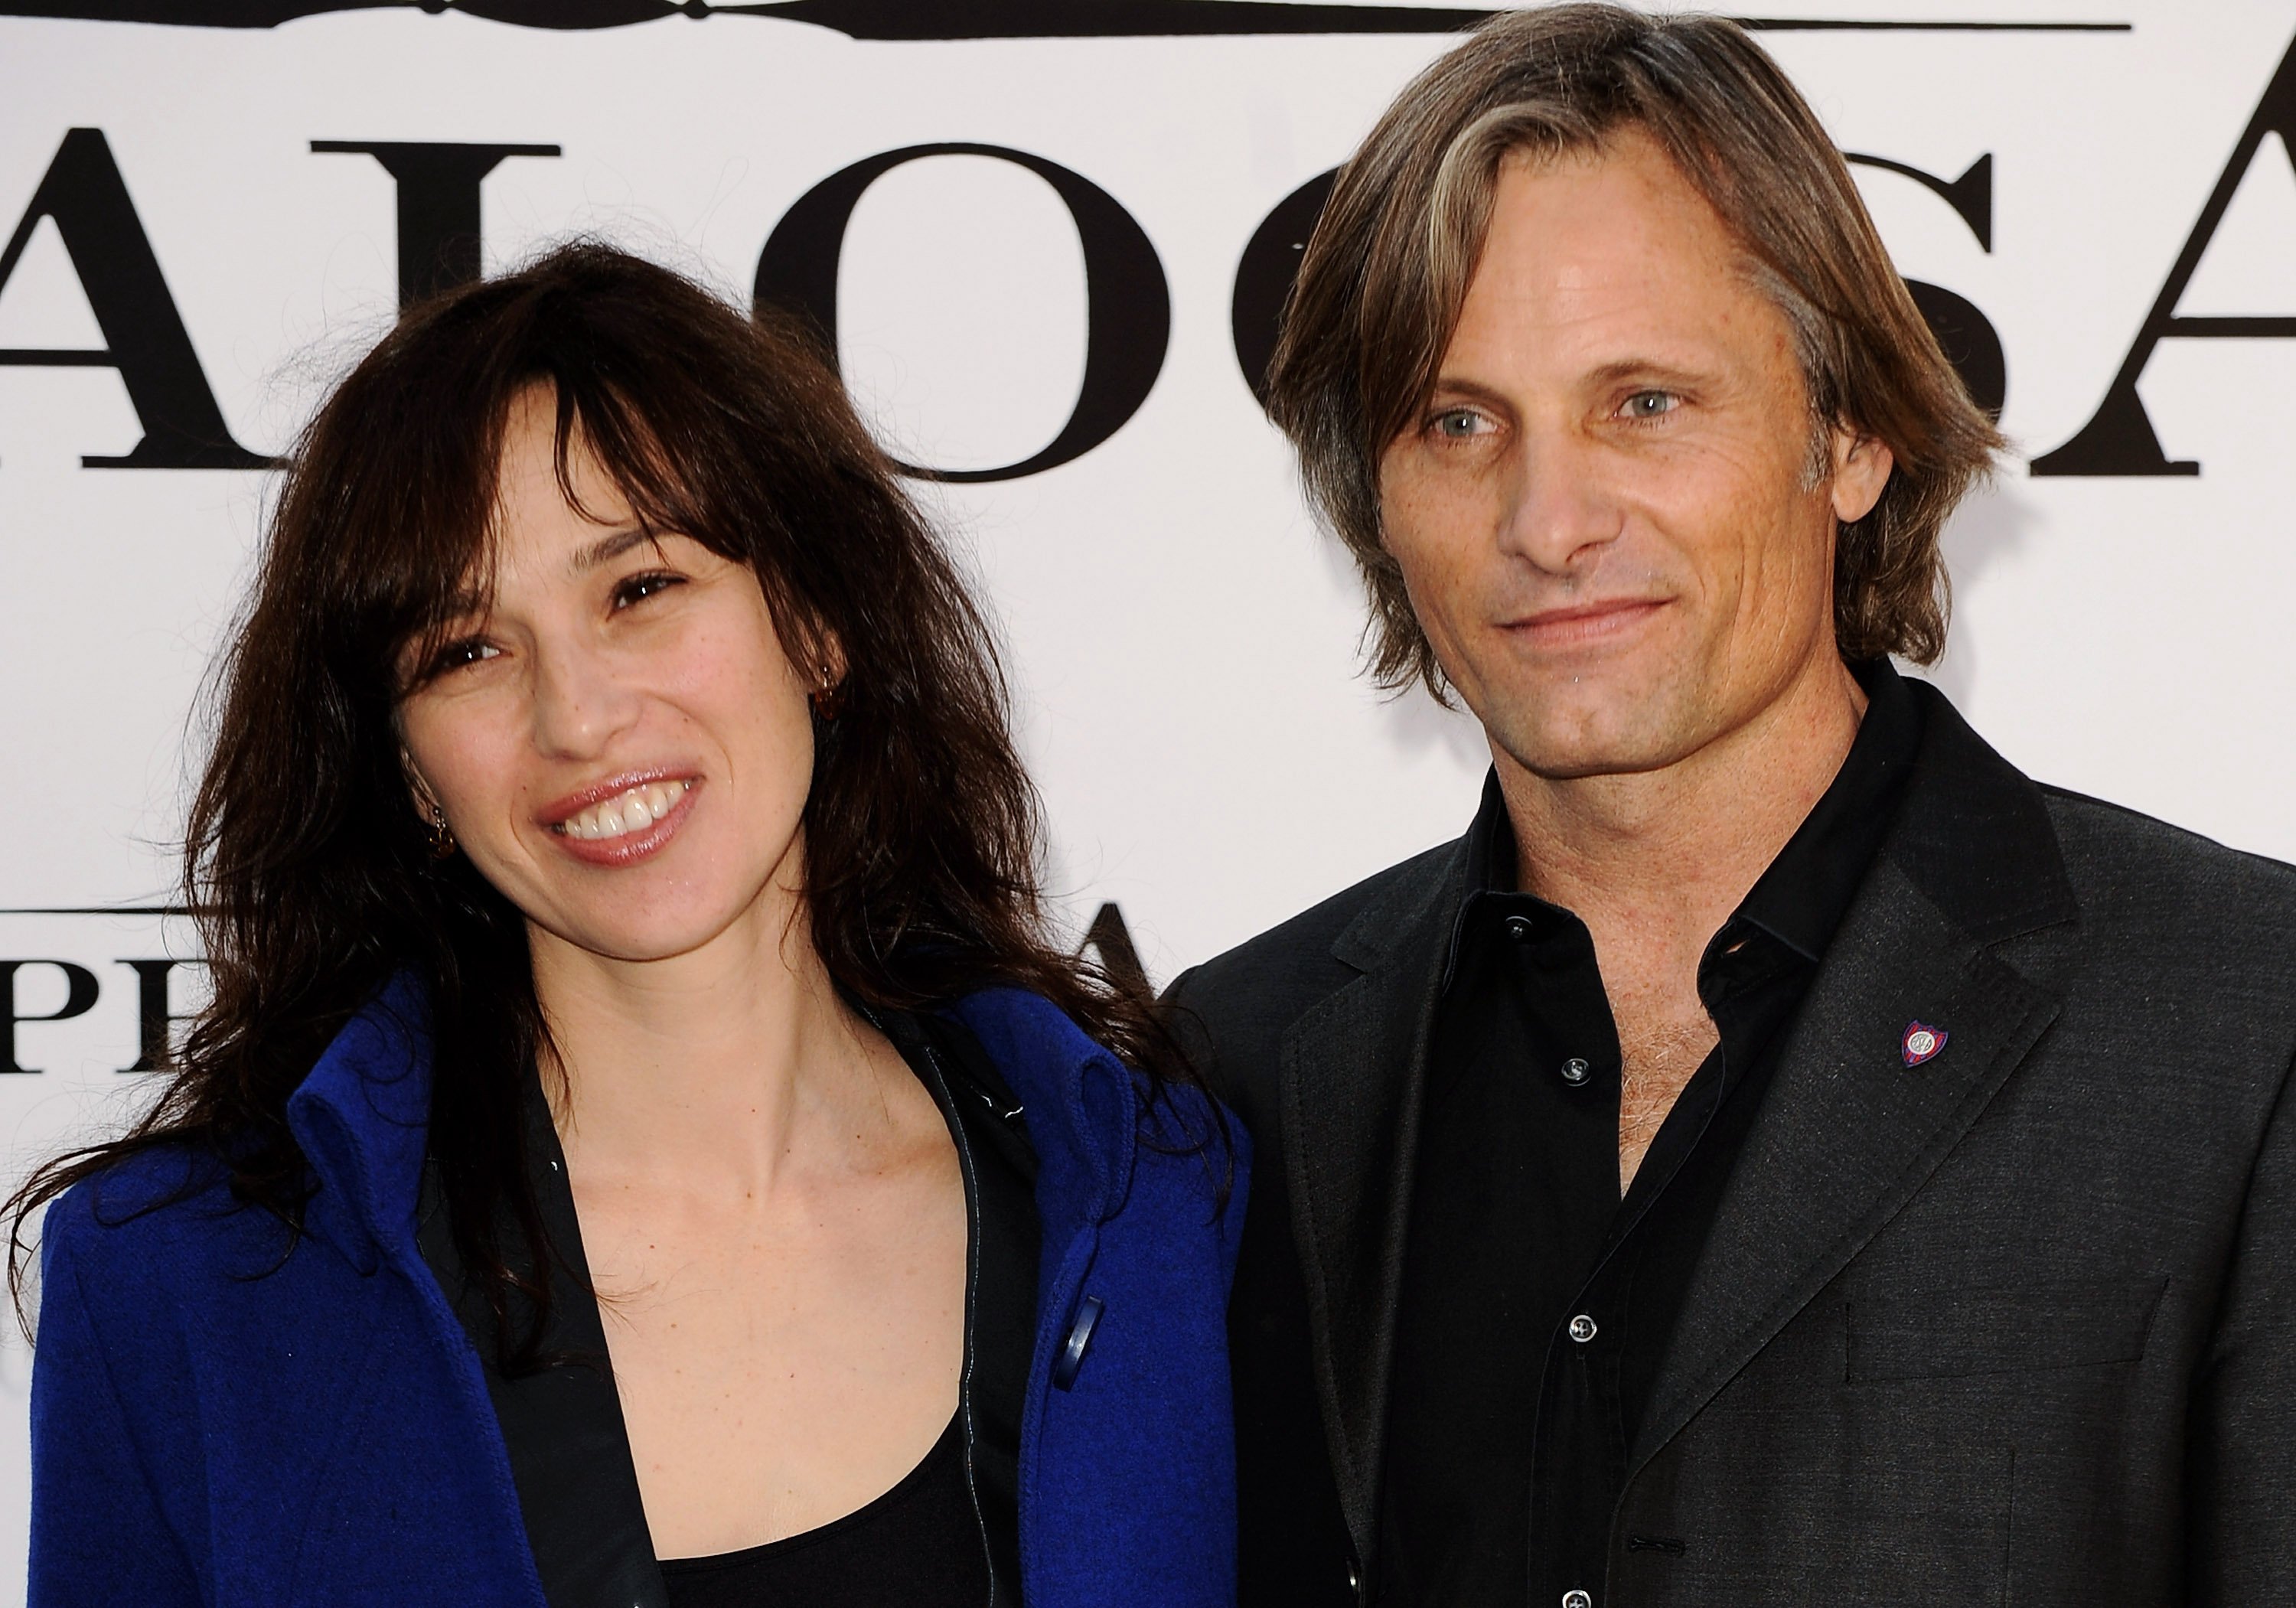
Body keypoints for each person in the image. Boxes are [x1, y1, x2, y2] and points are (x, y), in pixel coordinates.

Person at [1166, 8, 2296, 1606]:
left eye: (1645, 403)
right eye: (1457, 422)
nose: (1549, 523)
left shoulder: (2242, 1023)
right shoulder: (1249, 1064)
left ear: (1851, 434)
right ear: (1377, 505)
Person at [16, 243, 1244, 1608]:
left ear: (818, 619)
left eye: (639, 589)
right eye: (467, 650)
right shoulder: (185, 1290)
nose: (578, 717)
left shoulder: (1147, 1195)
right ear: (414, 771)